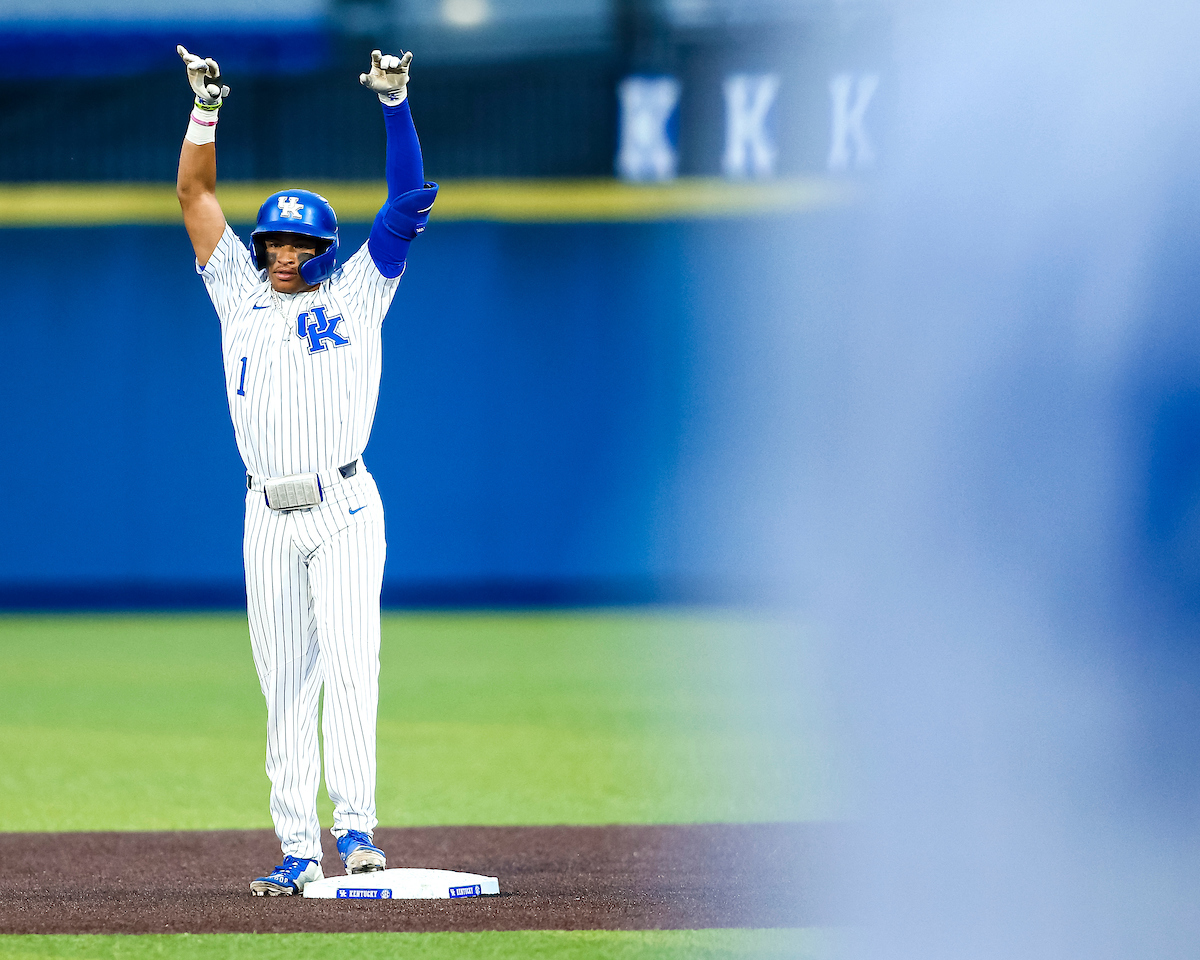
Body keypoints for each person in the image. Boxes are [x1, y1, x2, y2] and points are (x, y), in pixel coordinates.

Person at [175, 44, 437, 897]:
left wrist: (395, 105)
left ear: (325, 246)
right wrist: (205, 112)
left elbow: (406, 202)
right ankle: (297, 849)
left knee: (352, 659)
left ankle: (356, 827)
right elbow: (195, 194)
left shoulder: (361, 291)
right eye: (275, 239)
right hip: (266, 514)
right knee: (284, 681)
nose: (285, 253)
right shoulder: (236, 292)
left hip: (345, 504)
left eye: (301, 240)